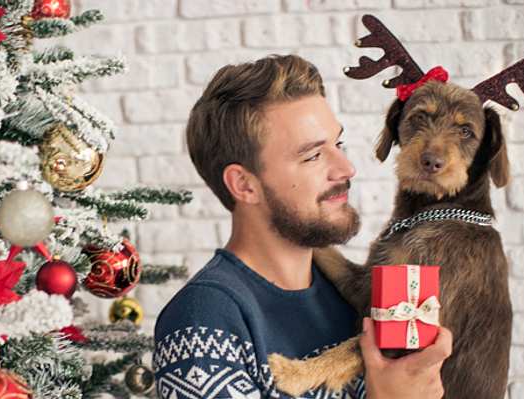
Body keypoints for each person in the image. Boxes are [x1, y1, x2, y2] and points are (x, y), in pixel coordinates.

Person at [152, 55, 452, 399]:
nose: (346, 168)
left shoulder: (355, 297)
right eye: (312, 156)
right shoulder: (203, 320)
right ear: (244, 185)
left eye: (337, 145)